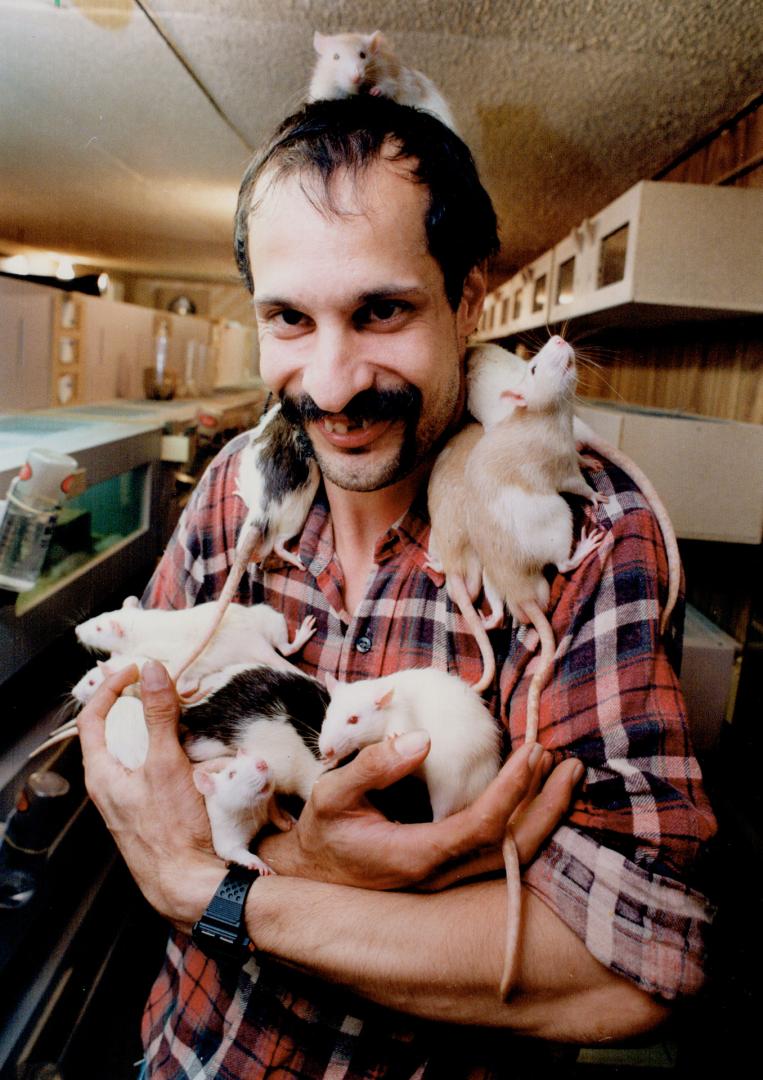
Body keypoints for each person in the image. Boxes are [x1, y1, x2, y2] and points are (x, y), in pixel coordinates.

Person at [78, 97, 717, 1078]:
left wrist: (231, 891)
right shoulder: (228, 499)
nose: (331, 386)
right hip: (189, 1052)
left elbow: (631, 961)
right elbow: (132, 767)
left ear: (467, 301)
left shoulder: (584, 528)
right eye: (289, 318)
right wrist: (324, 872)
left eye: (380, 311)